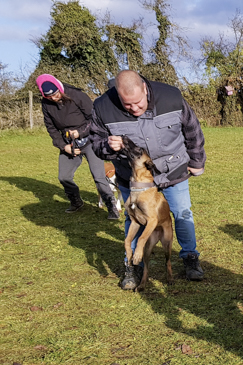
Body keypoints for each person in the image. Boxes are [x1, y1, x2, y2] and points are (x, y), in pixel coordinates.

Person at [89, 70, 206, 289]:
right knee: (131, 217)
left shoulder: (171, 96)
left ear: (145, 88)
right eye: (127, 105)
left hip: (173, 170)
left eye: (137, 102)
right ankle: (132, 265)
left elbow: (192, 130)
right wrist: (107, 147)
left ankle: (190, 258)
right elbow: (95, 142)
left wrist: (197, 161)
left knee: (182, 213)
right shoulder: (102, 107)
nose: (134, 109)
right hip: (132, 177)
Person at [36, 74, 119, 218]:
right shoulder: (46, 104)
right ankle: (76, 201)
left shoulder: (77, 95)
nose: (54, 98)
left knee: (99, 176)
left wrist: (80, 132)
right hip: (69, 143)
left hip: (90, 140)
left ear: (59, 88)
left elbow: (94, 119)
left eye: (56, 94)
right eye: (49, 97)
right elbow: (51, 129)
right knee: (64, 176)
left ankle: (111, 206)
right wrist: (64, 146)